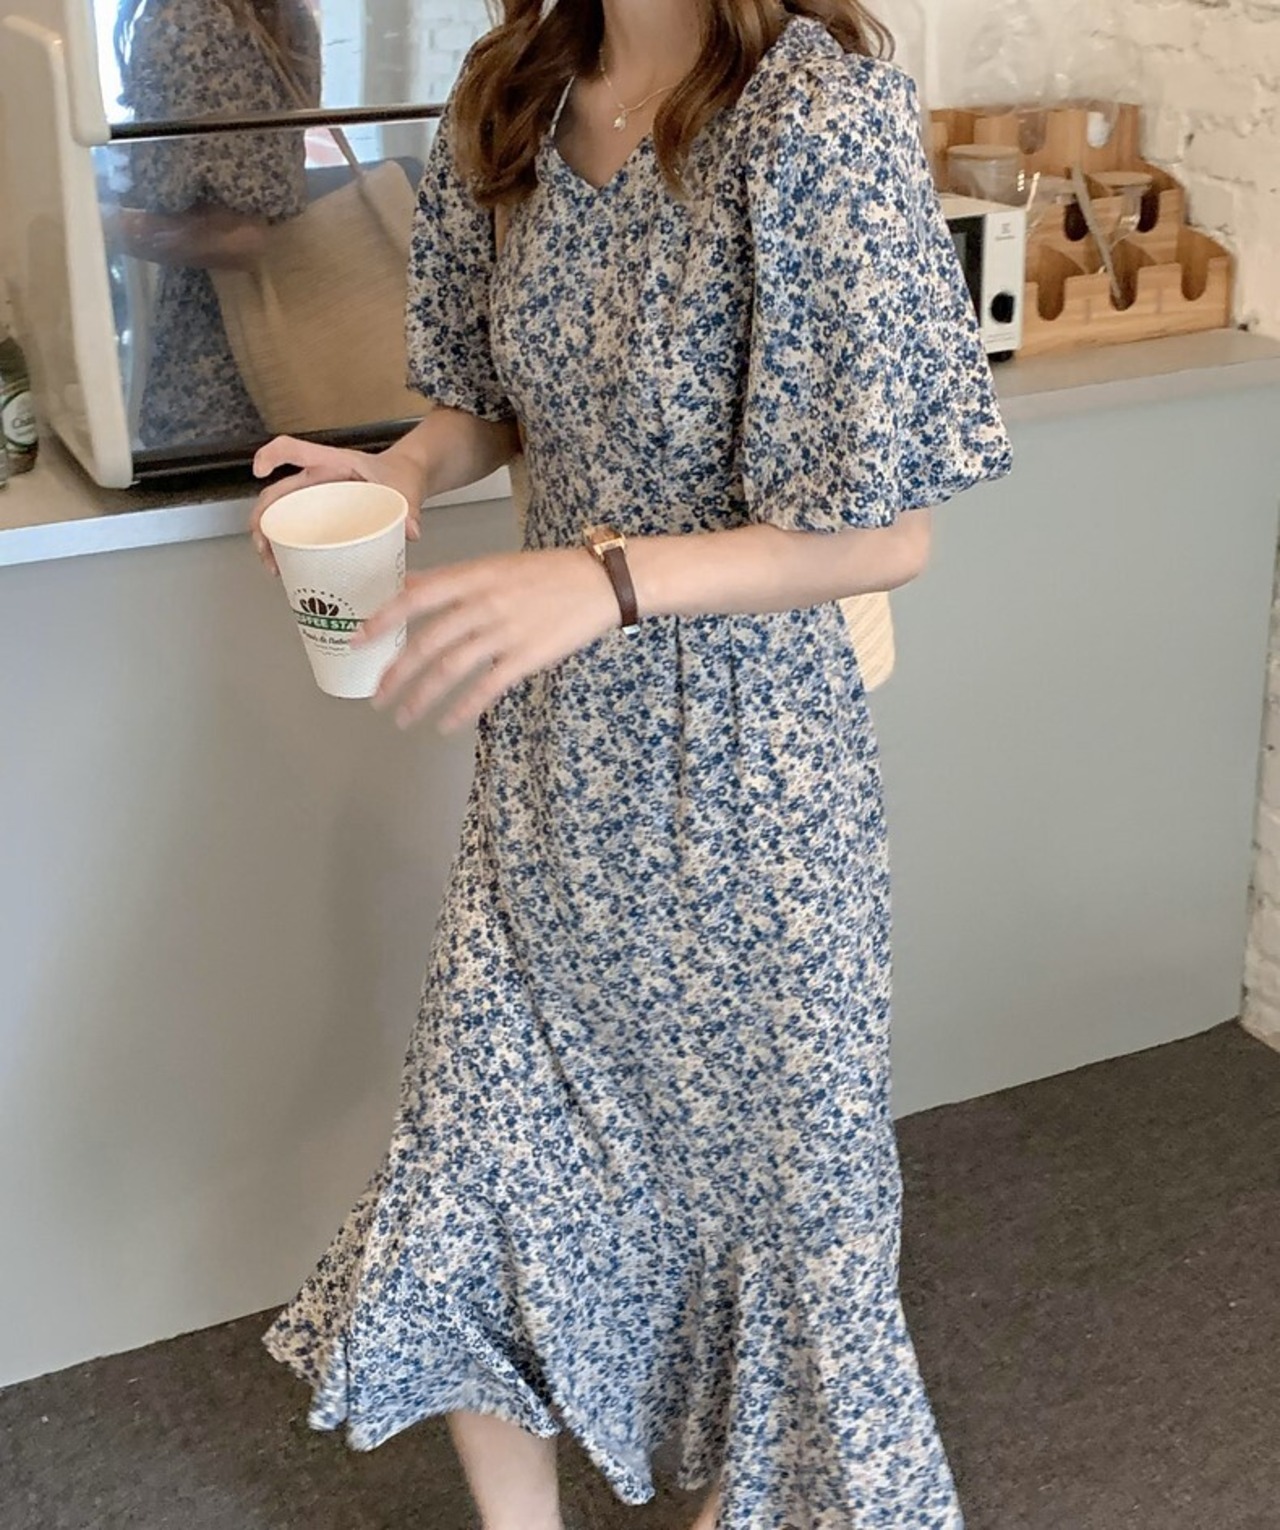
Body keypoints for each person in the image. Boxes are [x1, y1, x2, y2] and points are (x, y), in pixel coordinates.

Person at [250, 1, 1012, 1525]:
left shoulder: (817, 119)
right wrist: (402, 470)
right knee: (474, 1167)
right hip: (554, 767)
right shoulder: (508, 94)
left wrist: (603, 579)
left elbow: (886, 534)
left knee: (781, 1235)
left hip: (754, 787)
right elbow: (485, 403)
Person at [109, 0, 320, 446]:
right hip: (292, 339)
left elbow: (235, 238)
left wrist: (105, 228)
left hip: (213, 357)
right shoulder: (276, 13)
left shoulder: (189, 23)